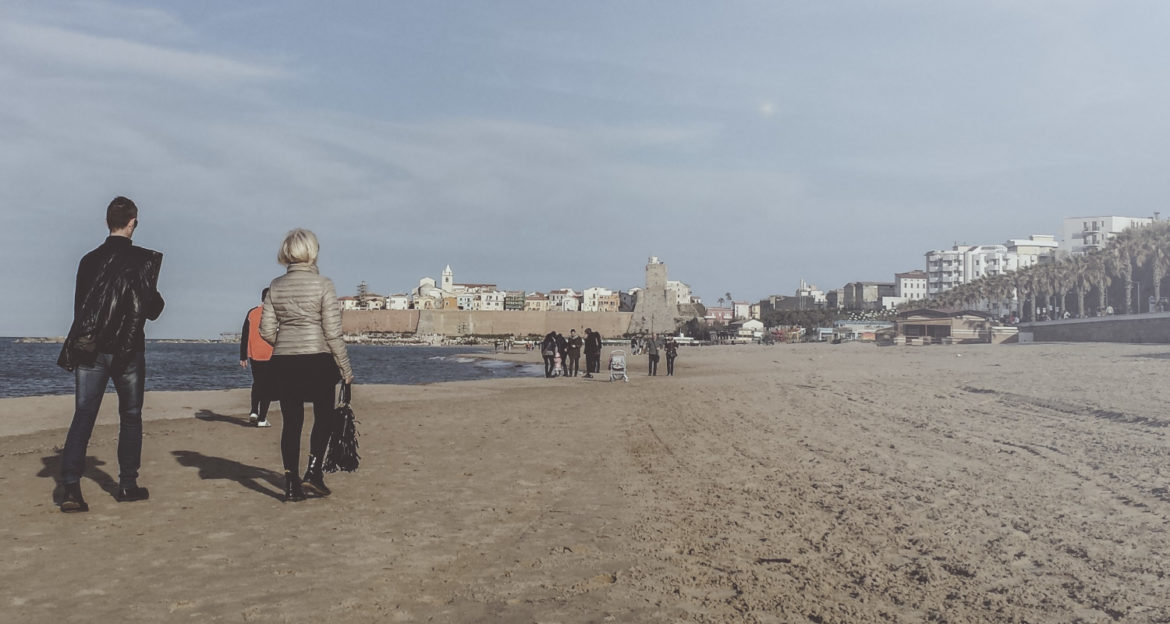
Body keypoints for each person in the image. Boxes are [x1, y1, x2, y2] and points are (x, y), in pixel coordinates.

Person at [56, 196, 164, 512]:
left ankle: (71, 488)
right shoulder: (142, 261)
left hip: (91, 348)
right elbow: (154, 309)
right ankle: (127, 485)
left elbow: (81, 309)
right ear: (134, 222)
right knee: (130, 416)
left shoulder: (88, 260)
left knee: (84, 416)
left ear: (108, 222)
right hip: (128, 348)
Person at [260, 229, 354, 503]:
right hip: (318, 358)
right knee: (322, 417)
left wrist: (287, 341)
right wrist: (346, 370)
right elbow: (333, 333)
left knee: (292, 422)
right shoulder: (324, 284)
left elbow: (266, 330)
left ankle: (291, 484)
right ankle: (313, 471)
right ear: (312, 252)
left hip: (284, 361)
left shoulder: (275, 286)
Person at [239, 288, 276, 427]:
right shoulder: (276, 314)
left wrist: (243, 356)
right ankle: (262, 419)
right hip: (271, 355)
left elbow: (244, 336)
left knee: (257, 383)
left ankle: (254, 411)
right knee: (268, 387)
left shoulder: (252, 312)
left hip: (254, 354)